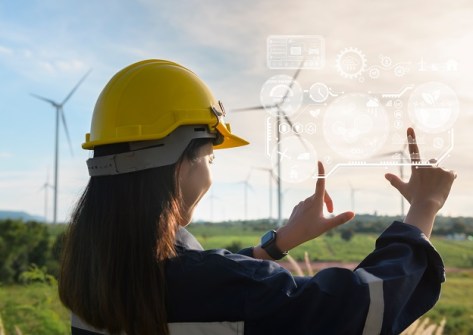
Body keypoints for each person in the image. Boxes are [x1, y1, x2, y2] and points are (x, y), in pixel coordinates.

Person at [59, 59, 456, 335]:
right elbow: (360, 311)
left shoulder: (92, 278)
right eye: (210, 156)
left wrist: (278, 244)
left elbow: (197, 282)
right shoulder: (232, 288)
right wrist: (424, 208)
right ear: (179, 164)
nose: (211, 171)